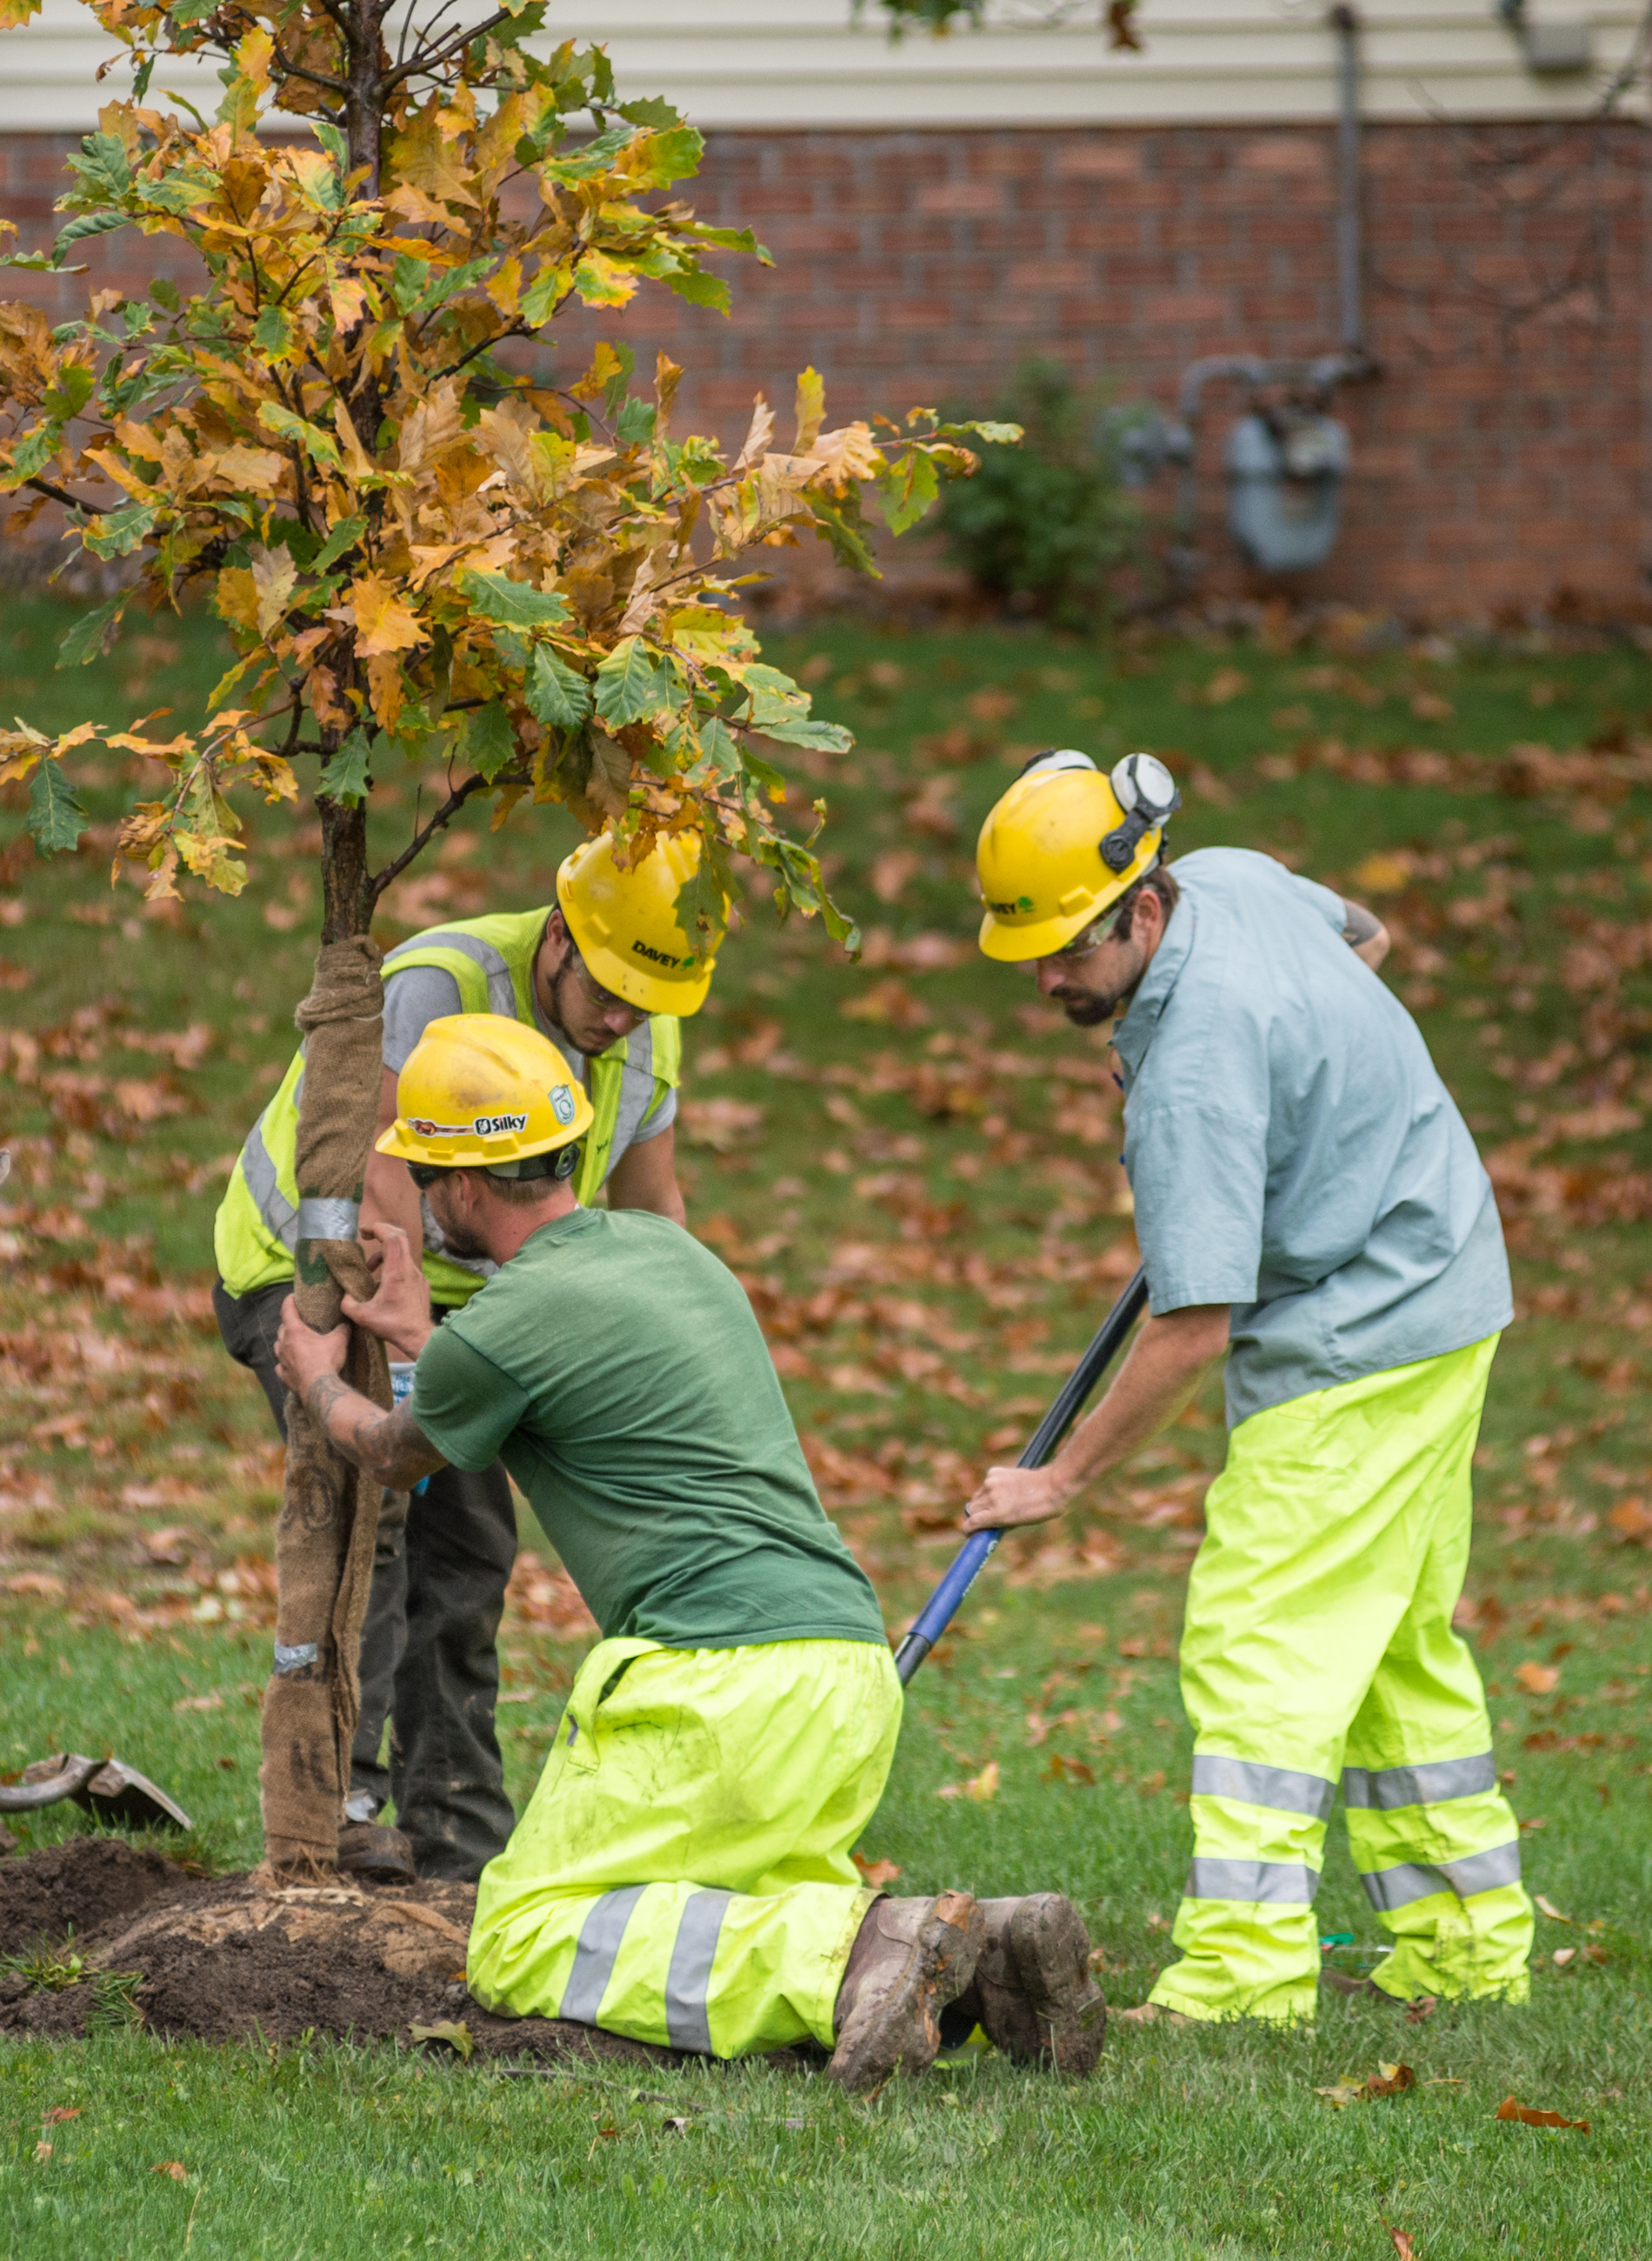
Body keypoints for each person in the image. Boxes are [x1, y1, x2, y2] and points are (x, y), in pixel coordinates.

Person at [270, 1012, 1106, 2085]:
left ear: (466, 1184)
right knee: (720, 1901)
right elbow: (549, 1374)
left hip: (717, 1683)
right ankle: (984, 1946)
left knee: (523, 1932)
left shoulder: (503, 1325)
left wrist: (317, 1376)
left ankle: (857, 1960)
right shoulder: (667, 1251)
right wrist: (427, 1333)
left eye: (430, 1178)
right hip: (846, 1669)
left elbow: (395, 1450)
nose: (428, 1201)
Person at [961, 749, 1532, 2025]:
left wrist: (1059, 1481)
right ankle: (1463, 1944)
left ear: (1142, 909)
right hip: (1449, 1278)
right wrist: (1301, 1098)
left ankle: (1242, 1972)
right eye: (1029, 953)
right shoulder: (1231, 878)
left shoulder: (1200, 1071)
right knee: (1392, 1641)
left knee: (1259, 1635)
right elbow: (1363, 935)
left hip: (1364, 1330)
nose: (1049, 978)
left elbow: (1189, 1328)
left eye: (1070, 951)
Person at [213, 831, 717, 1882]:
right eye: (610, 989)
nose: (620, 1019)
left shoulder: (644, 1034)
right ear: (562, 933)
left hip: (466, 1307)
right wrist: (413, 1345)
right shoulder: (442, 981)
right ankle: (343, 1806)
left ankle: (456, 1835)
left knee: (471, 1547)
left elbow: (656, 1211)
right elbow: (383, 1170)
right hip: (317, 1274)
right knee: (377, 1523)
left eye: (645, 1001)